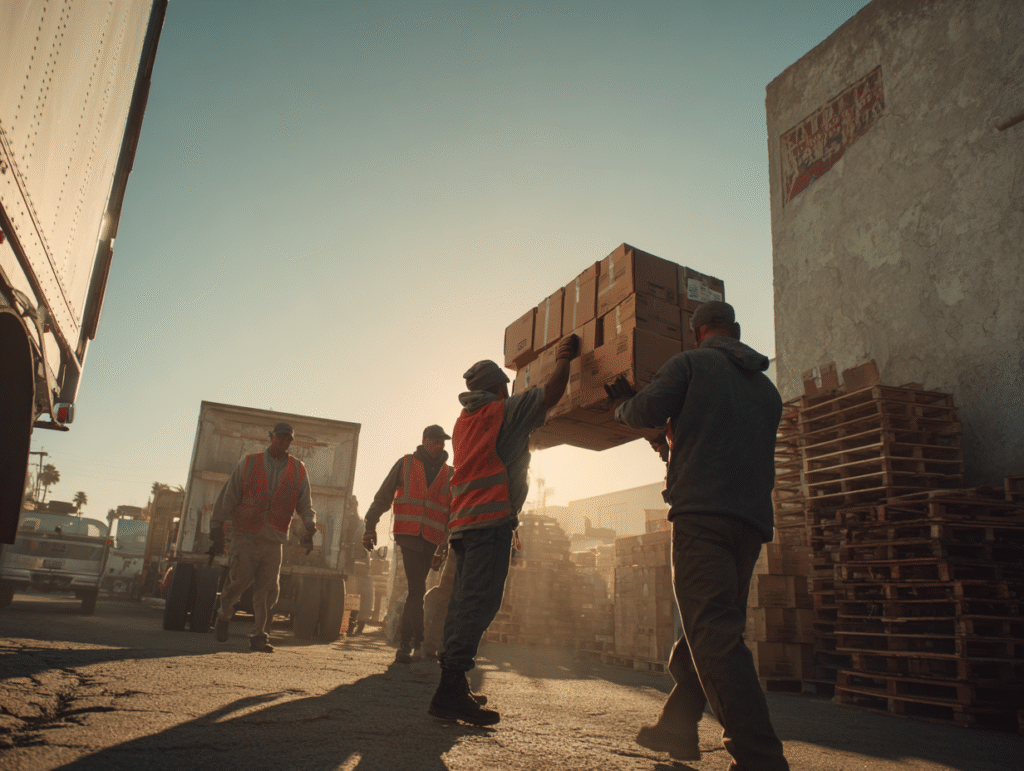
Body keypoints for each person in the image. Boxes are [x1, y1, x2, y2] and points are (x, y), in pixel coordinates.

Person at [608, 300, 789, 771]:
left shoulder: (692, 364)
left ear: (697, 333)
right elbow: (709, 442)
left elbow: (644, 409)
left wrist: (621, 405)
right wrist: (666, 442)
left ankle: (760, 758)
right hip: (748, 525)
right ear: (736, 331)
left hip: (703, 519)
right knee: (710, 626)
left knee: (711, 632)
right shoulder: (768, 391)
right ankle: (678, 727)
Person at [428, 333, 578, 726]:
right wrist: (564, 358)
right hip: (488, 524)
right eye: (507, 387)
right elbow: (551, 392)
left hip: (464, 525)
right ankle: (449, 689)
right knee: (478, 603)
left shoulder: (465, 420)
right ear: (499, 388)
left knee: (463, 603)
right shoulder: (502, 412)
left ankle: (453, 684)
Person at [209, 422, 317, 653]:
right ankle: (224, 615)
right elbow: (229, 495)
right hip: (245, 534)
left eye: (288, 439)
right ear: (271, 437)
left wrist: (309, 526)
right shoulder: (249, 463)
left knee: (268, 589)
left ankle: (260, 635)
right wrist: (216, 527)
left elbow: (305, 503)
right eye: (280, 438)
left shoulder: (298, 469)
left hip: (274, 537)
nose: (283, 442)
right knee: (240, 580)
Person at [361, 424, 454, 664]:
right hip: (408, 534)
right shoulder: (406, 464)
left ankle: (409, 644)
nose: (439, 446)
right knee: (416, 589)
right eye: (435, 441)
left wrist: (443, 547)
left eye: (442, 442)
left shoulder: (449, 473)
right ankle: (410, 643)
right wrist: (370, 525)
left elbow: (451, 514)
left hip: (431, 540)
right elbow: (383, 495)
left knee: (417, 589)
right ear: (424, 441)